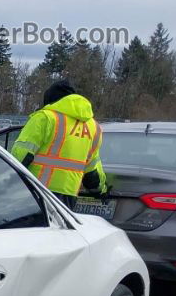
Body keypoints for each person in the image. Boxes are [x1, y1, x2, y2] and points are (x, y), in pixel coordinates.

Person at [11, 80, 106, 209]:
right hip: (68, 197)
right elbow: (93, 167)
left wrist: (6, 181)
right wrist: (99, 190)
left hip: (36, 192)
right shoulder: (93, 127)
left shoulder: (45, 118)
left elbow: (20, 154)